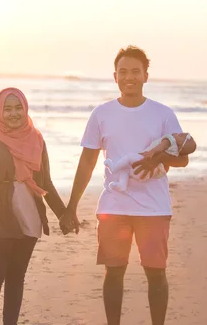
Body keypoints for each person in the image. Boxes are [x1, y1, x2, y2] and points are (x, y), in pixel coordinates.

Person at [59, 46, 197, 325]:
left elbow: (182, 159)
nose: (129, 77)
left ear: (146, 75)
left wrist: (156, 157)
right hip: (114, 205)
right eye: (123, 72)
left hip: (153, 207)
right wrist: (70, 207)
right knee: (114, 272)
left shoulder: (162, 113)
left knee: (156, 273)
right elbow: (86, 162)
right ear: (115, 77)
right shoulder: (101, 114)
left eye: (135, 71)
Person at [0, 87, 67, 325]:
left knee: (16, 277)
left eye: (18, 107)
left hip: (28, 215)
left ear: (25, 108)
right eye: (7, 109)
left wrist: (63, 214)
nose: (13, 114)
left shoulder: (38, 140)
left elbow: (46, 181)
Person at [104, 132, 196, 192]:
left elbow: (183, 160)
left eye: (180, 135)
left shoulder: (171, 140)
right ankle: (122, 185)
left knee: (129, 158)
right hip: (147, 175)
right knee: (126, 170)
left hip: (143, 164)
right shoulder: (176, 150)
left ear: (179, 145)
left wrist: (154, 156)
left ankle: (113, 169)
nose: (177, 133)